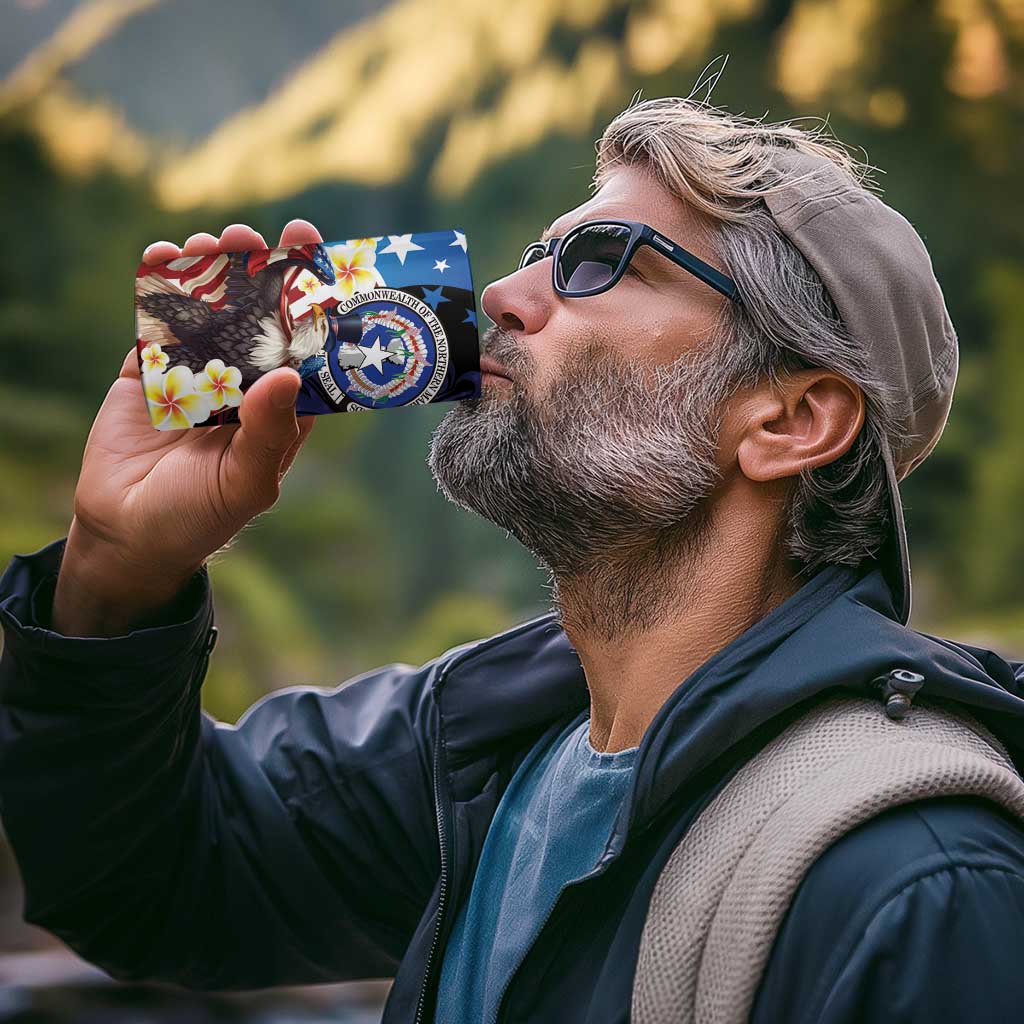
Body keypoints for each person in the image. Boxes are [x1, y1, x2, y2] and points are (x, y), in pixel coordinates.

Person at [2, 96, 1024, 1024]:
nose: (500, 291)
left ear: (791, 419)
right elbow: (149, 881)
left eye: (599, 261)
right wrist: (116, 568)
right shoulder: (479, 748)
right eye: (540, 252)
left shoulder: (918, 882)